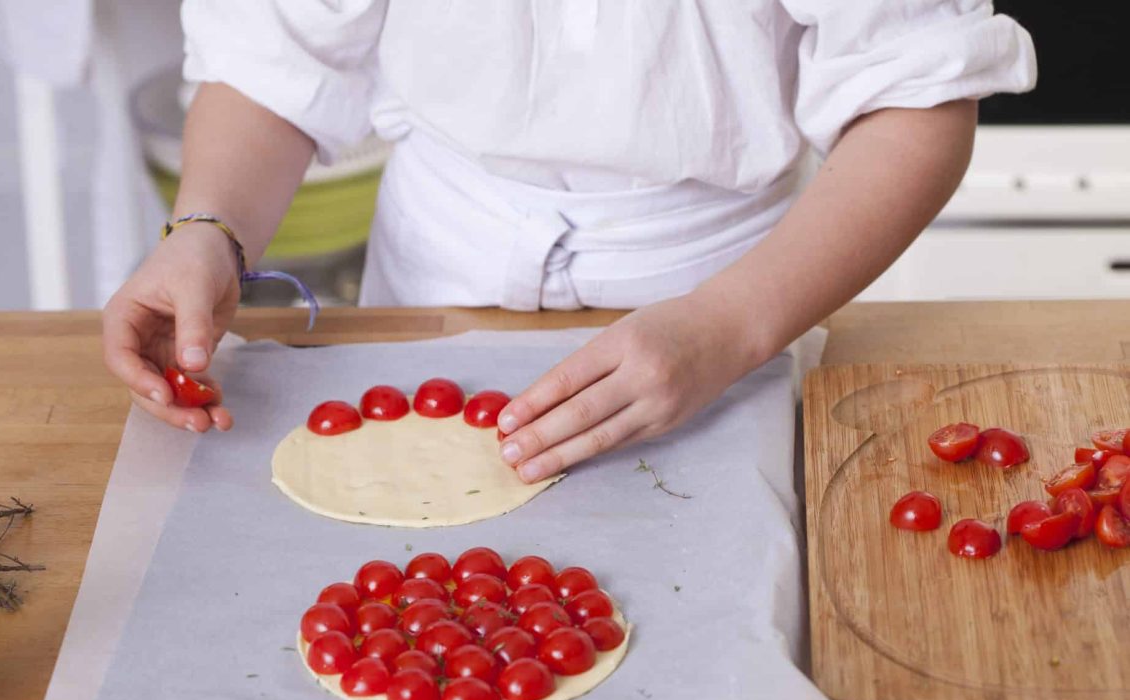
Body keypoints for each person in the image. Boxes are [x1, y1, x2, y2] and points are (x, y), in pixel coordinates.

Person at [102, 2, 1035, 484]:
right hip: (432, 274)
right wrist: (208, 231)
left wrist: (729, 325)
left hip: (729, 298)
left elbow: (917, 99)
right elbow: (274, 61)